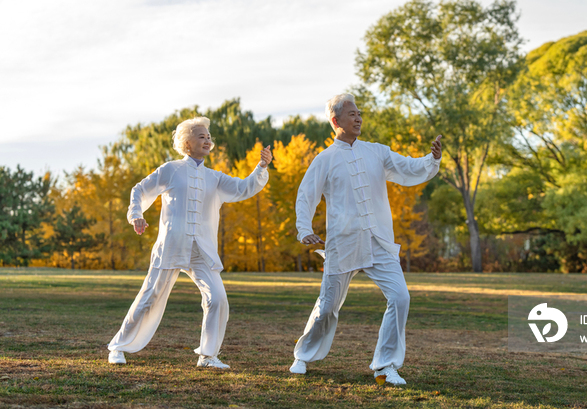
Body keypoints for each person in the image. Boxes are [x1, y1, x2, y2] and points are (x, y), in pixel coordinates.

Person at [290, 93, 442, 385]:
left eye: (359, 114)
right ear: (336, 121)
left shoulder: (377, 152)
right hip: (343, 243)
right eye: (351, 114)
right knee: (327, 306)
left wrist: (431, 159)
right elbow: (306, 195)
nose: (358, 118)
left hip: (380, 242)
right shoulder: (324, 159)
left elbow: (407, 168)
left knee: (400, 297)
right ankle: (303, 356)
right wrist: (304, 228)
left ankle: (385, 366)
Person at [107, 117, 272, 369]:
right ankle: (118, 347)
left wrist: (261, 166)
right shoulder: (170, 169)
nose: (208, 140)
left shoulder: (214, 177)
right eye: (201, 136)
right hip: (171, 245)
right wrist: (136, 216)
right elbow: (139, 190)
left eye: (209, 137)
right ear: (186, 143)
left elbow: (243, 188)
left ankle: (207, 356)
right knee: (149, 297)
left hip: (202, 250)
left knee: (217, 299)